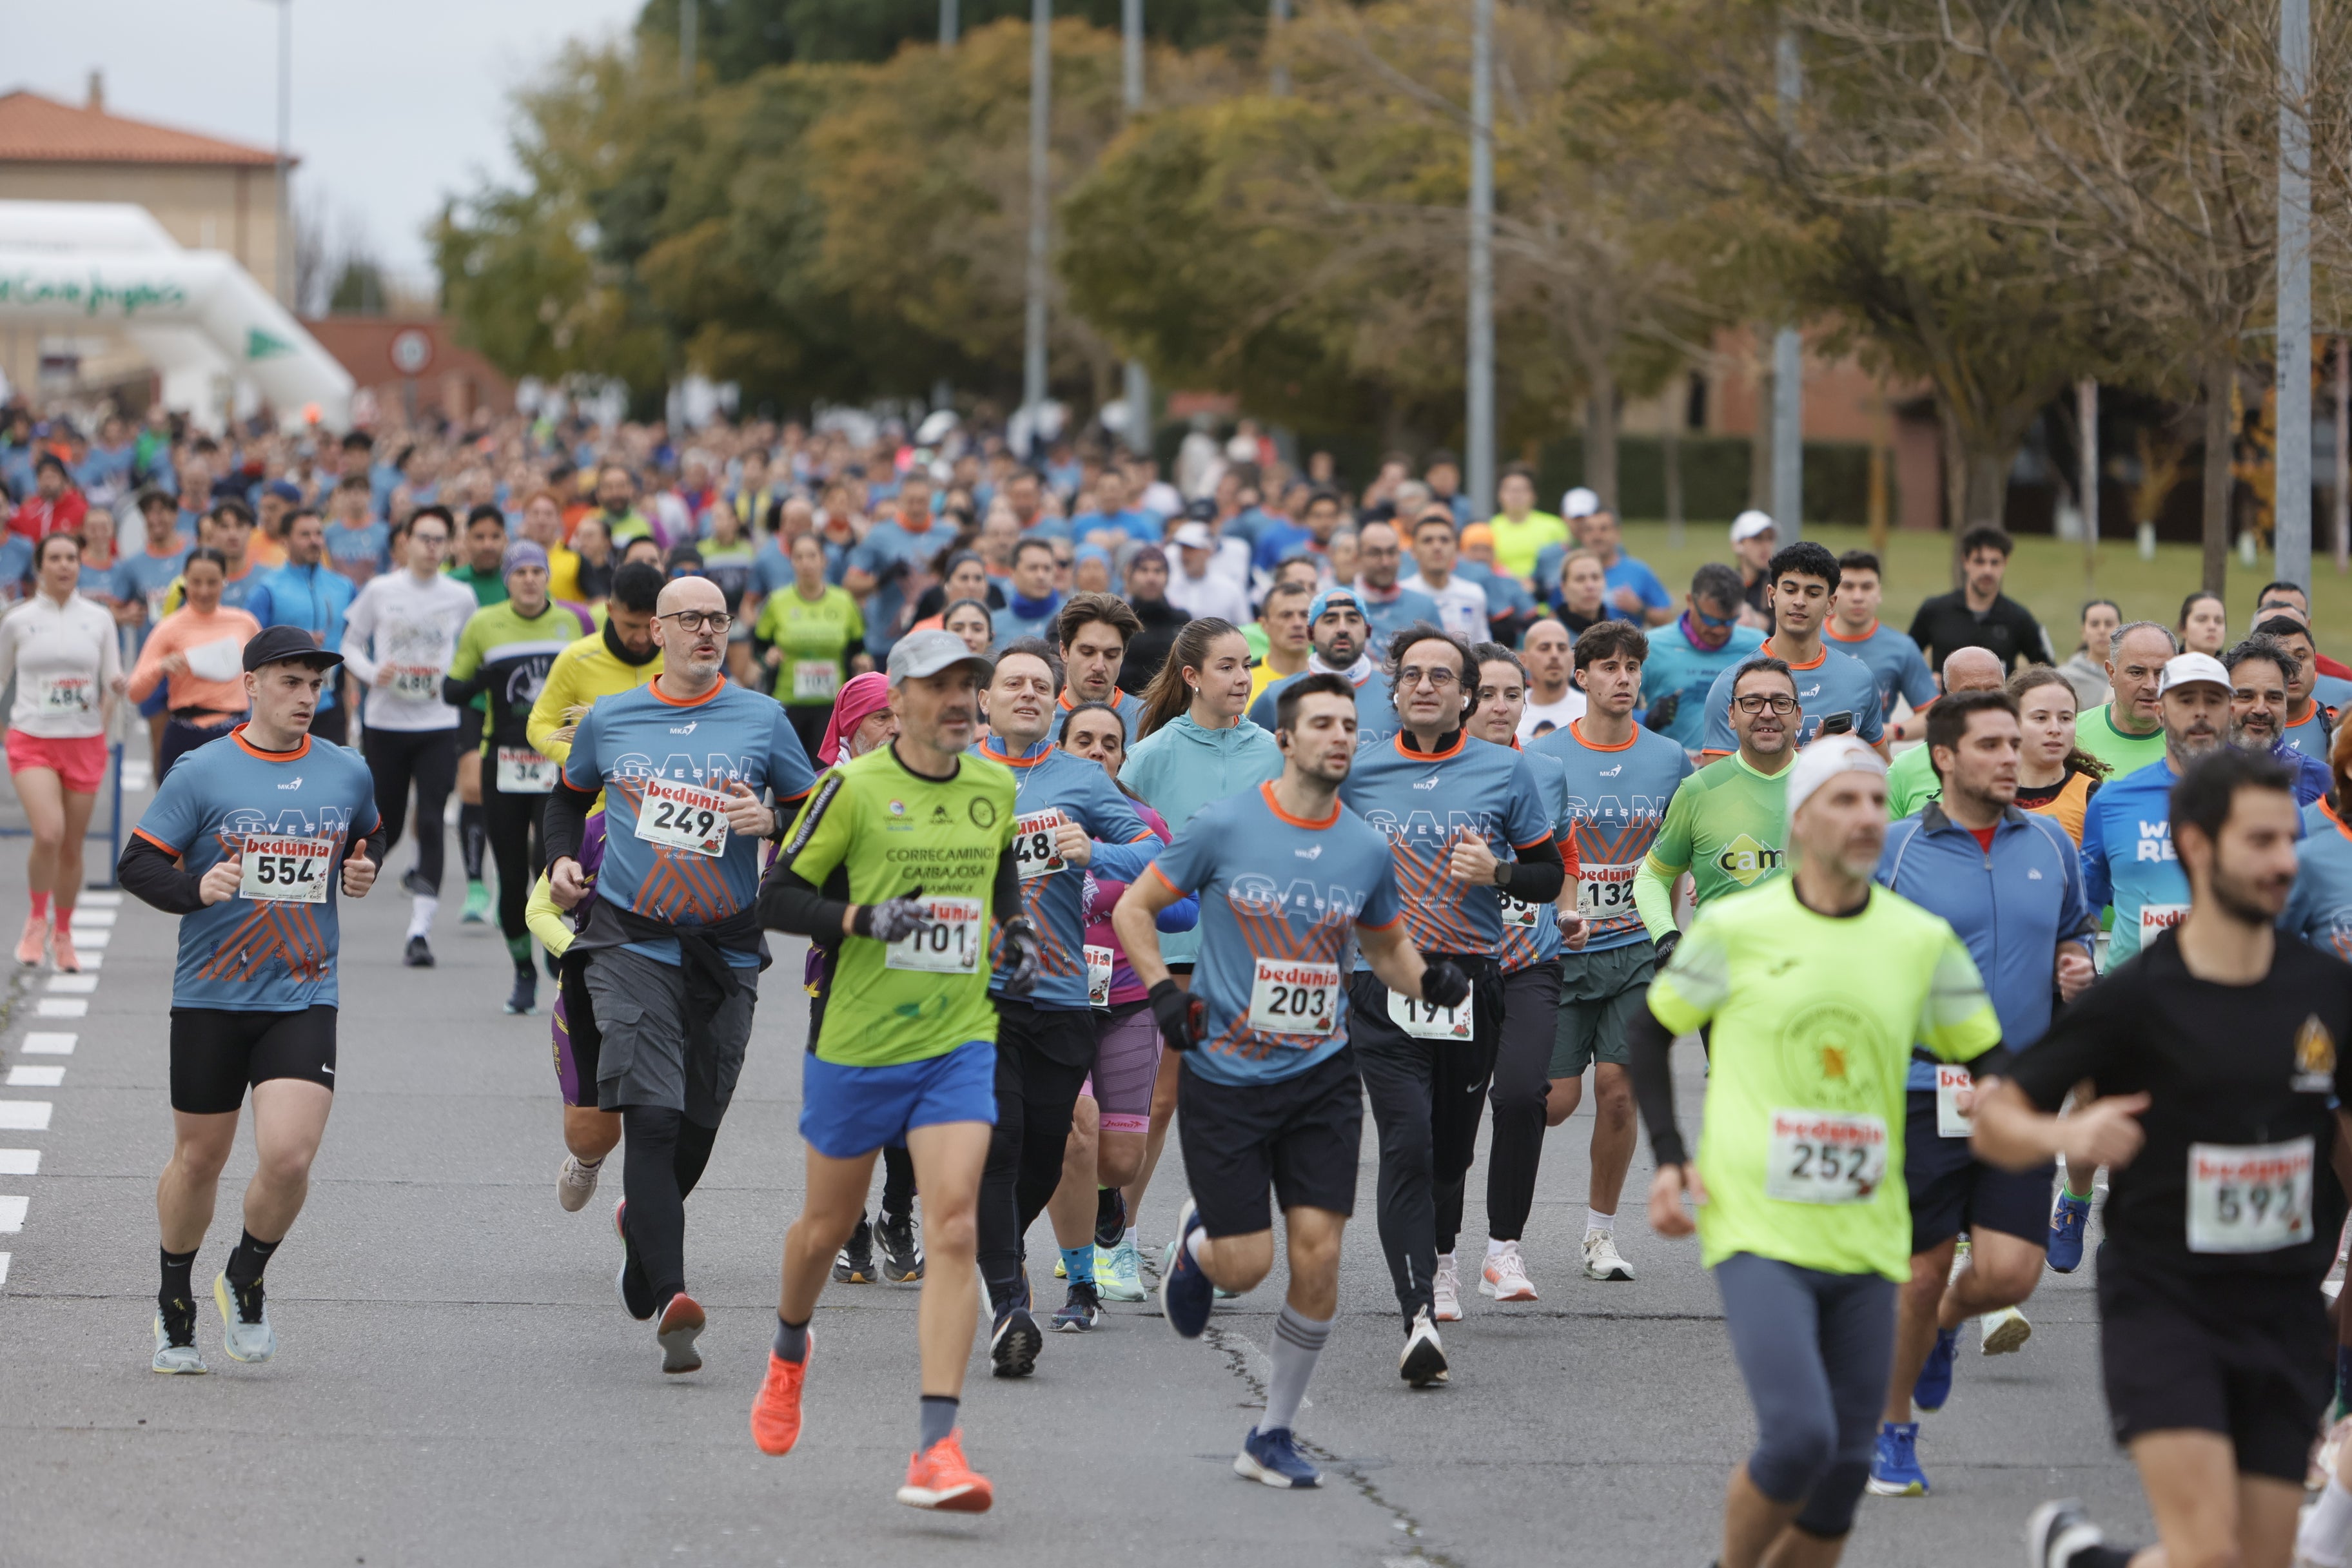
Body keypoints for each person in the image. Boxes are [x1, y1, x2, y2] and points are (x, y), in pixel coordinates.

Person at [1628, 736, 2004, 1568]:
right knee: (1799, 1437)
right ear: (1802, 819)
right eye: (1846, 799)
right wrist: (1668, 1157)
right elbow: (1650, 1031)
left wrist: (2044, 1116)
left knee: (1841, 1471)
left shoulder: (1917, 939)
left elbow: (1988, 1060)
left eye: (1878, 800)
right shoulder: (1737, 926)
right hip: (1757, 1224)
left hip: (1869, 1233)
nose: (1869, 815)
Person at [1973, 749, 2352, 1568]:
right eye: (2260, 841)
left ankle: (2085, 1558)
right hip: (2167, 1302)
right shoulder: (2135, 999)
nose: (2285, 860)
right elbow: (1997, 1116)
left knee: (2255, 1559)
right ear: (2196, 845)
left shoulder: (2327, 992)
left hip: (2285, 1308)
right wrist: (2063, 1137)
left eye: (2289, 839)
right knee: (2210, 1553)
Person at [1113, 672, 1468, 1483]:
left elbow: (1383, 947)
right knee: (1249, 1266)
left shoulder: (1364, 845)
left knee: (1318, 1255)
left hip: (1320, 1075)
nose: (1342, 735)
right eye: (1323, 724)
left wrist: (1430, 981)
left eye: (1350, 723)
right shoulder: (1225, 826)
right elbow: (1136, 910)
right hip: (1229, 1076)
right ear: (1285, 739)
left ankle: (1271, 1434)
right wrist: (1167, 996)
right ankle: (1200, 1250)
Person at [748, 629, 1019, 1513]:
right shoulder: (851, 789)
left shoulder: (994, 787)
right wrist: (865, 920)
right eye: (938, 687)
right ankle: (791, 1348)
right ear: (895, 700)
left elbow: (1000, 884)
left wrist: (1010, 932)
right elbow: (779, 897)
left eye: (967, 686)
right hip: (859, 1044)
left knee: (951, 1227)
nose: (958, 701)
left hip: (957, 1039)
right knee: (823, 1234)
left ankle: (937, 1447)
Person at [542, 574, 815, 1374]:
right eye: (689, 618)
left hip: (726, 949)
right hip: (630, 941)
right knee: (652, 1118)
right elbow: (567, 799)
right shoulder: (614, 717)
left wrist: (772, 819)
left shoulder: (762, 718)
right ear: (654, 631)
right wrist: (560, 859)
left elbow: (816, 811)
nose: (705, 629)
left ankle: (642, 1236)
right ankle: (673, 1297)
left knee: (696, 1123)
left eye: (718, 618)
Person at [120, 625, 384, 1375]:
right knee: (199, 1160)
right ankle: (176, 1299)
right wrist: (193, 887)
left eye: (316, 685)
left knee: (290, 1156)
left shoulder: (347, 771)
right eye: (291, 682)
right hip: (210, 994)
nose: (306, 697)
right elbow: (138, 863)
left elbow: (366, 838)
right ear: (253, 686)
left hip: (303, 991)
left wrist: (360, 873)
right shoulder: (202, 772)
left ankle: (245, 1275)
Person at [1865, 689, 2096, 1498]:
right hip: (1922, 1086)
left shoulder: (2053, 846)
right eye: (1993, 744)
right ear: (1945, 756)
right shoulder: (1894, 851)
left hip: (2021, 1093)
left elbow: (2073, 932)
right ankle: (1893, 1431)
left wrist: (2077, 968)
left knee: (2008, 1275)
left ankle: (1943, 1331)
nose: (2013, 756)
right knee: (1920, 1273)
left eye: (2015, 742)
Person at [1340, 624, 1565, 1364]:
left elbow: (1547, 876)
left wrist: (1495, 872)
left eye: (1443, 675)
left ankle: (1443, 1251)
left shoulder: (1504, 770)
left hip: (1468, 976)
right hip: (1381, 974)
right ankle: (1420, 1306)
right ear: (1395, 689)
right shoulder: (1359, 772)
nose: (1426, 685)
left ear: (1468, 694)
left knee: (1449, 1145)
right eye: (1413, 674)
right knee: (1405, 1136)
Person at [965, 639, 1159, 1360]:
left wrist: (1094, 852)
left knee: (1049, 1149)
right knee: (1002, 1139)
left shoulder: (1080, 777)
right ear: (984, 698)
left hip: (1062, 991)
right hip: (976, 993)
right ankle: (1010, 1303)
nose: (1027, 694)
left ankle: (991, 1245)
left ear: (1057, 701)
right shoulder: (954, 772)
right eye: (1012, 683)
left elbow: (1152, 850)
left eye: (1041, 687)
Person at [2053, 649, 2235, 1272]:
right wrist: (2074, 954)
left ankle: (2132, 1227)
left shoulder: (2259, 799)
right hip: (2135, 990)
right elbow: (2089, 892)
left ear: (2230, 709)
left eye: (2214, 701)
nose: (2202, 715)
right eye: (2188, 701)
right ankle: (2076, 1197)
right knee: (2098, 1112)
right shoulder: (2117, 801)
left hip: (2225, 995)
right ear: (2165, 709)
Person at [1528, 621, 1694, 1283]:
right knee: (1554, 1101)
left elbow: (1675, 856)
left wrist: (1667, 926)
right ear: (1582, 676)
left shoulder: (1669, 759)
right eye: (1609, 667)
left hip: (1635, 949)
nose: (1623, 678)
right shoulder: (1544, 758)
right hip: (1563, 951)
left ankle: (1600, 1234)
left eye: (1632, 668)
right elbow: (1532, 852)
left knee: (1619, 1092)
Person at [1044, 700, 1196, 1304]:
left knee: (1121, 1160)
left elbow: (1185, 909)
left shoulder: (1143, 821)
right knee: (1073, 1133)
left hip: (1127, 1000)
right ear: (1062, 748)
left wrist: (1124, 873)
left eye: (1111, 742)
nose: (1099, 752)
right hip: (1054, 1001)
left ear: (1123, 755)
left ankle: (1109, 1201)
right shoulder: (1035, 813)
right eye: (1084, 740)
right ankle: (1079, 1267)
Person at [1463, 643, 1591, 1302]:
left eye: (1512, 694)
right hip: (1453, 965)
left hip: (1529, 962)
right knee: (1444, 1115)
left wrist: (1567, 909)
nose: (1500, 705)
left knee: (1521, 1096)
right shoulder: (1427, 772)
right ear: (1461, 696)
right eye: (1486, 693)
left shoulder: (1544, 768)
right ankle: (1434, 1255)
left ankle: (1503, 1249)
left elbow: (1564, 850)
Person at [444, 542, 595, 1014]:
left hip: (559, 761)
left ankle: (556, 955)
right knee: (510, 875)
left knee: (553, 866)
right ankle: (522, 970)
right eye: (520, 572)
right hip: (504, 762)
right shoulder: (484, 624)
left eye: (537, 571)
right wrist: (483, 680)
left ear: (548, 576)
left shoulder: (574, 622)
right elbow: (451, 689)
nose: (530, 579)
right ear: (507, 579)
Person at [340, 506, 479, 969]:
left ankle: (420, 930)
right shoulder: (381, 590)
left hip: (438, 725)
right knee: (389, 825)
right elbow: (349, 643)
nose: (432, 547)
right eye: (424, 538)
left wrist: (460, 682)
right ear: (405, 542)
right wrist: (369, 672)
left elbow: (472, 650)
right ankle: (328, 890)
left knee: (434, 819)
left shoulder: (460, 597)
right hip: (386, 724)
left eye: (440, 539)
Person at [0, 533, 124, 969]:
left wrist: (108, 712)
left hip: (84, 742)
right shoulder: (18, 619)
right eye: (55, 558)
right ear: (40, 567)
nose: (65, 565)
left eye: (71, 557)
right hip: (31, 738)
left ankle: (64, 932)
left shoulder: (99, 618)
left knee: (72, 847)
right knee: (48, 833)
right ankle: (36, 920)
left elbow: (113, 678)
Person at [1636, 658, 1799, 941]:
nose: (1768, 713)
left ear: (1798, 715)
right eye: (1752, 702)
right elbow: (1651, 878)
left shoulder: (1829, 788)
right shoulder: (1697, 790)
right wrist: (1666, 938)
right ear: (1731, 715)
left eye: (1781, 703)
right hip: (1721, 976)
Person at [1698, 544, 1885, 760]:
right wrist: (1811, 761)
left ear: (1831, 604)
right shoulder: (1731, 684)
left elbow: (1883, 770)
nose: (1799, 601)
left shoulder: (1859, 678)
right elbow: (1717, 787)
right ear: (1772, 595)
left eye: (1813, 593)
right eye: (1790, 590)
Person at [125, 549, 262, 779]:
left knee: (233, 814)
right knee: (178, 815)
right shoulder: (169, 627)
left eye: (212, 582)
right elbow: (135, 692)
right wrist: (160, 666)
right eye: (196, 582)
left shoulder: (244, 623)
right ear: (184, 580)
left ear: (225, 581)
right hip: (184, 733)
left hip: (234, 733)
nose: (204, 591)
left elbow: (265, 679)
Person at [525, 562, 665, 768]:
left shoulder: (676, 657)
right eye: (631, 626)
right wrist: (579, 760)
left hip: (661, 797)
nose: (642, 637)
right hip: (595, 799)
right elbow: (539, 724)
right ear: (610, 610)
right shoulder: (576, 658)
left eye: (651, 626)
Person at [244, 509, 357, 747]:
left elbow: (353, 644)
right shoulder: (267, 589)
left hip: (329, 703)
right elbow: (250, 649)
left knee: (329, 780)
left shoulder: (344, 587)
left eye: (318, 533)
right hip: (281, 708)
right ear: (285, 541)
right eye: (304, 535)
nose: (314, 541)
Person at [756, 531, 865, 761]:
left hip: (832, 703)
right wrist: (769, 654)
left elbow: (858, 646)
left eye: (812, 556)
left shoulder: (844, 601)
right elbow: (760, 644)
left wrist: (862, 660)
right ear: (792, 562)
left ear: (824, 560)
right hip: (789, 701)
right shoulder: (778, 601)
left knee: (824, 770)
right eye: (799, 557)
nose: (806, 563)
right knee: (788, 771)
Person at [1247, 589, 1402, 750]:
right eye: (1330, 620)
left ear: (1368, 631)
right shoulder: (1277, 696)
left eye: (1352, 620)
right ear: (1310, 633)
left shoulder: (1398, 693)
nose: (1342, 628)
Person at [1638, 564, 1765, 754]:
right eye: (1711, 620)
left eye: (1730, 621)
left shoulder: (1758, 645)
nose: (1719, 630)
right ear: (1690, 601)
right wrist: (1646, 719)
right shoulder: (1652, 646)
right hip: (1674, 769)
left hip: (1738, 769)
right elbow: (1610, 712)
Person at [1904, 526, 2054, 673]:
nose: (1987, 570)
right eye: (1979, 561)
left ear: (2005, 563)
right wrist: (1926, 684)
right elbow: (1904, 661)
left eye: (1995, 562)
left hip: (1999, 698)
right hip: (1946, 698)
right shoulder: (1934, 610)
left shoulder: (2018, 618)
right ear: (1965, 562)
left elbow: (2049, 672)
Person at [1824, 551, 1937, 737]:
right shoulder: (1809, 639)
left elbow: (1931, 714)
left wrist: (1891, 732)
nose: (1858, 596)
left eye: (1867, 587)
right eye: (1848, 586)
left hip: (1875, 761)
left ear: (1879, 592)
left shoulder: (1902, 648)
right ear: (1833, 593)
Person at [1883, 648, 2005, 818]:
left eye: (1994, 691)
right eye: (1969, 693)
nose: (1983, 703)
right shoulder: (1904, 769)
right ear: (1947, 700)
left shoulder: (2027, 759)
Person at [2008, 666, 2108, 845]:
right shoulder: (1985, 796)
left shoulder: (2094, 798)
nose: (2055, 729)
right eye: (2041, 718)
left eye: (2065, 718)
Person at [2225, 634, 2330, 805]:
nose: (2260, 709)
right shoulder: (2191, 775)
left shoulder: (2322, 780)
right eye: (2246, 696)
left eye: (2273, 697)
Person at [2076, 620, 2177, 778]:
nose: (2151, 686)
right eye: (2137, 673)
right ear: (2111, 673)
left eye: (2161, 674)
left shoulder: (2194, 741)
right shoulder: (2073, 735)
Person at [1054, 591, 1146, 736]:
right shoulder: (1040, 720)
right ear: (1064, 651)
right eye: (1087, 652)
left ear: (1123, 655)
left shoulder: (1150, 721)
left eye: (1111, 655)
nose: (1099, 666)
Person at [2250, 613, 2337, 767]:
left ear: (2315, 662)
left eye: (2301, 657)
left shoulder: (2339, 727)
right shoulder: (2232, 730)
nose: (2293, 669)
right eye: (2280, 658)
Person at [1398, 512, 1489, 640]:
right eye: (1427, 541)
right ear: (1413, 551)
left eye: (1444, 540)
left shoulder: (1474, 594)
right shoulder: (1401, 595)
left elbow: (1482, 645)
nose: (1437, 547)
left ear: (1456, 549)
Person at [1352, 523, 1442, 647]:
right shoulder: (1343, 603)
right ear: (1358, 557)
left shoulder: (1424, 607)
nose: (1385, 562)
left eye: (1391, 552)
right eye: (1375, 553)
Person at [1117, 546, 1186, 694]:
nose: (1151, 578)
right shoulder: (1117, 619)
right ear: (1130, 575)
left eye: (1158, 571)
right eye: (1144, 570)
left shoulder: (1182, 620)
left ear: (1167, 577)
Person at [1487, 466, 1567, 584]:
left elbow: (1564, 565)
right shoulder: (1488, 529)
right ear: (1500, 495)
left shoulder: (1555, 526)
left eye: (1522, 490)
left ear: (1534, 495)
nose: (1516, 495)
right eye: (1510, 490)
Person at [1515, 618, 1585, 739]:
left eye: (1562, 648)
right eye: (1545, 648)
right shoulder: (1511, 710)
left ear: (1572, 660)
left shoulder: (1590, 711)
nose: (1555, 655)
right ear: (1524, 660)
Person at [1248, 579, 1313, 704]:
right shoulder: (1244, 680)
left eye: (1305, 615)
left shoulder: (1329, 678)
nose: (1298, 624)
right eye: (1286, 615)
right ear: (1264, 624)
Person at [995, 538, 1065, 647]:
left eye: (1047, 569)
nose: (1041, 576)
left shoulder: (1072, 617)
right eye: (1033, 568)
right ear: (1013, 573)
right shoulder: (994, 624)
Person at [2057, 599, 2121, 712]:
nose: (2102, 630)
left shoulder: (2135, 672)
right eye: (2095, 624)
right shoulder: (2064, 678)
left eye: (2109, 624)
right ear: (2083, 632)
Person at [1729, 511, 1778, 624]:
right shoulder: (1726, 585)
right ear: (1737, 545)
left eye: (1770, 538)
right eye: (1757, 538)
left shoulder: (1778, 584)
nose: (1766, 546)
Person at [1553, 549, 1612, 638]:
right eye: (1580, 579)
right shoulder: (1549, 637)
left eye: (1595, 577)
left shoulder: (1617, 634)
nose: (1590, 586)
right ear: (1563, 587)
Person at [2176, 589, 2228, 658]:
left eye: (2219, 621)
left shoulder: (2235, 668)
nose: (2212, 627)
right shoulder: (2166, 667)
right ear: (2183, 628)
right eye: (2202, 620)